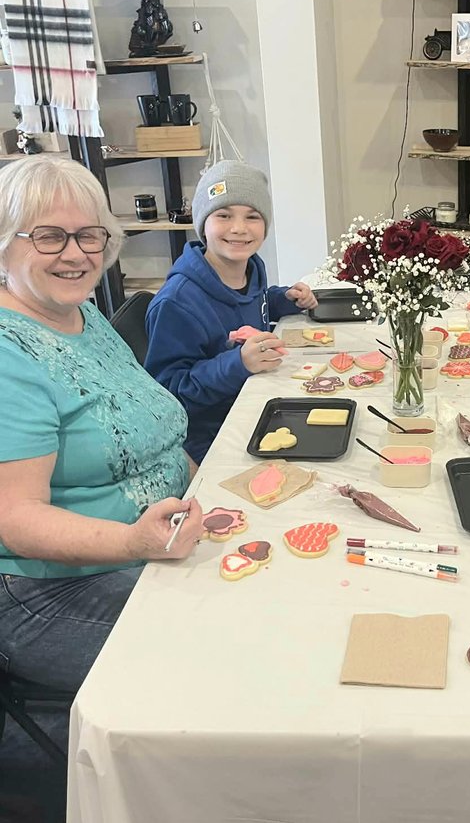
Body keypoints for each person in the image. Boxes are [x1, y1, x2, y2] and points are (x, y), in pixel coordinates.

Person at [0, 157, 203, 693]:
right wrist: (136, 542)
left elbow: (151, 425)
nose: (75, 253)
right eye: (48, 236)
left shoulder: (83, 315)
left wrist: (209, 486)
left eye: (89, 235)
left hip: (160, 544)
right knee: (222, 661)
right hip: (51, 588)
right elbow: (15, 518)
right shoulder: (6, 352)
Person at [145, 160, 318, 464]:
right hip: (214, 438)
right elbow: (168, 395)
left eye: (252, 216)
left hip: (259, 405)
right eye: (223, 215)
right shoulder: (176, 304)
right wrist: (236, 364)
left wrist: (283, 299)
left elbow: (251, 301)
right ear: (202, 223)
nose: (239, 228)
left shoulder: (251, 268)